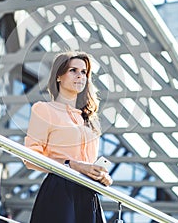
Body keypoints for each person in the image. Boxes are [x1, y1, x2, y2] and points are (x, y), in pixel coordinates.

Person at [24, 51, 113, 223]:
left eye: (84, 72)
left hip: (88, 194)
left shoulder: (89, 120)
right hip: (60, 191)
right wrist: (71, 164)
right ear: (59, 76)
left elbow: (89, 163)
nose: (80, 76)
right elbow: (30, 158)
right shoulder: (44, 110)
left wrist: (101, 175)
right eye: (73, 70)